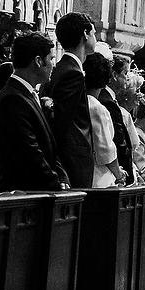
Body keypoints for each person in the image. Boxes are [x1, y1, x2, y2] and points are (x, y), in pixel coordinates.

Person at [0, 33, 69, 194]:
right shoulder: (12, 99)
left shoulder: (26, 94)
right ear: (38, 61)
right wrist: (56, 184)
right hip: (21, 196)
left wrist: (62, 177)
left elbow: (48, 148)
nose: (53, 65)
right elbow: (29, 153)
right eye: (51, 59)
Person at [50, 11, 97, 187]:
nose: (95, 38)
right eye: (94, 33)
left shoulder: (63, 68)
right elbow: (62, 124)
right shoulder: (72, 73)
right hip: (73, 162)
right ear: (85, 34)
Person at [83, 51, 124, 187]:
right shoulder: (96, 107)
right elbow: (105, 150)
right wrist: (119, 174)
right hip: (99, 178)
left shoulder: (80, 102)